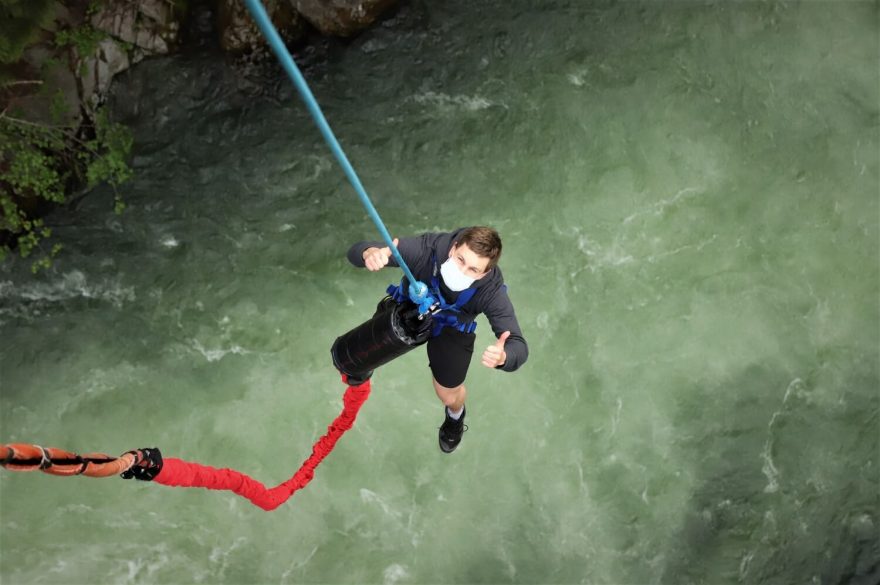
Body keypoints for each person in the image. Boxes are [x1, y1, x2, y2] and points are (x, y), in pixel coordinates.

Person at [346, 226, 528, 453]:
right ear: (453, 249)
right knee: (365, 351)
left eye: (473, 269)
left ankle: (455, 416)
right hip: (407, 308)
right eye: (460, 259)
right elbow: (356, 251)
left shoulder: (491, 293)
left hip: (450, 328)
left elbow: (518, 345)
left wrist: (504, 356)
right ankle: (366, 365)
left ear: (484, 274)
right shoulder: (425, 250)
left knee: (448, 394)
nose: (462, 271)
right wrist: (370, 254)